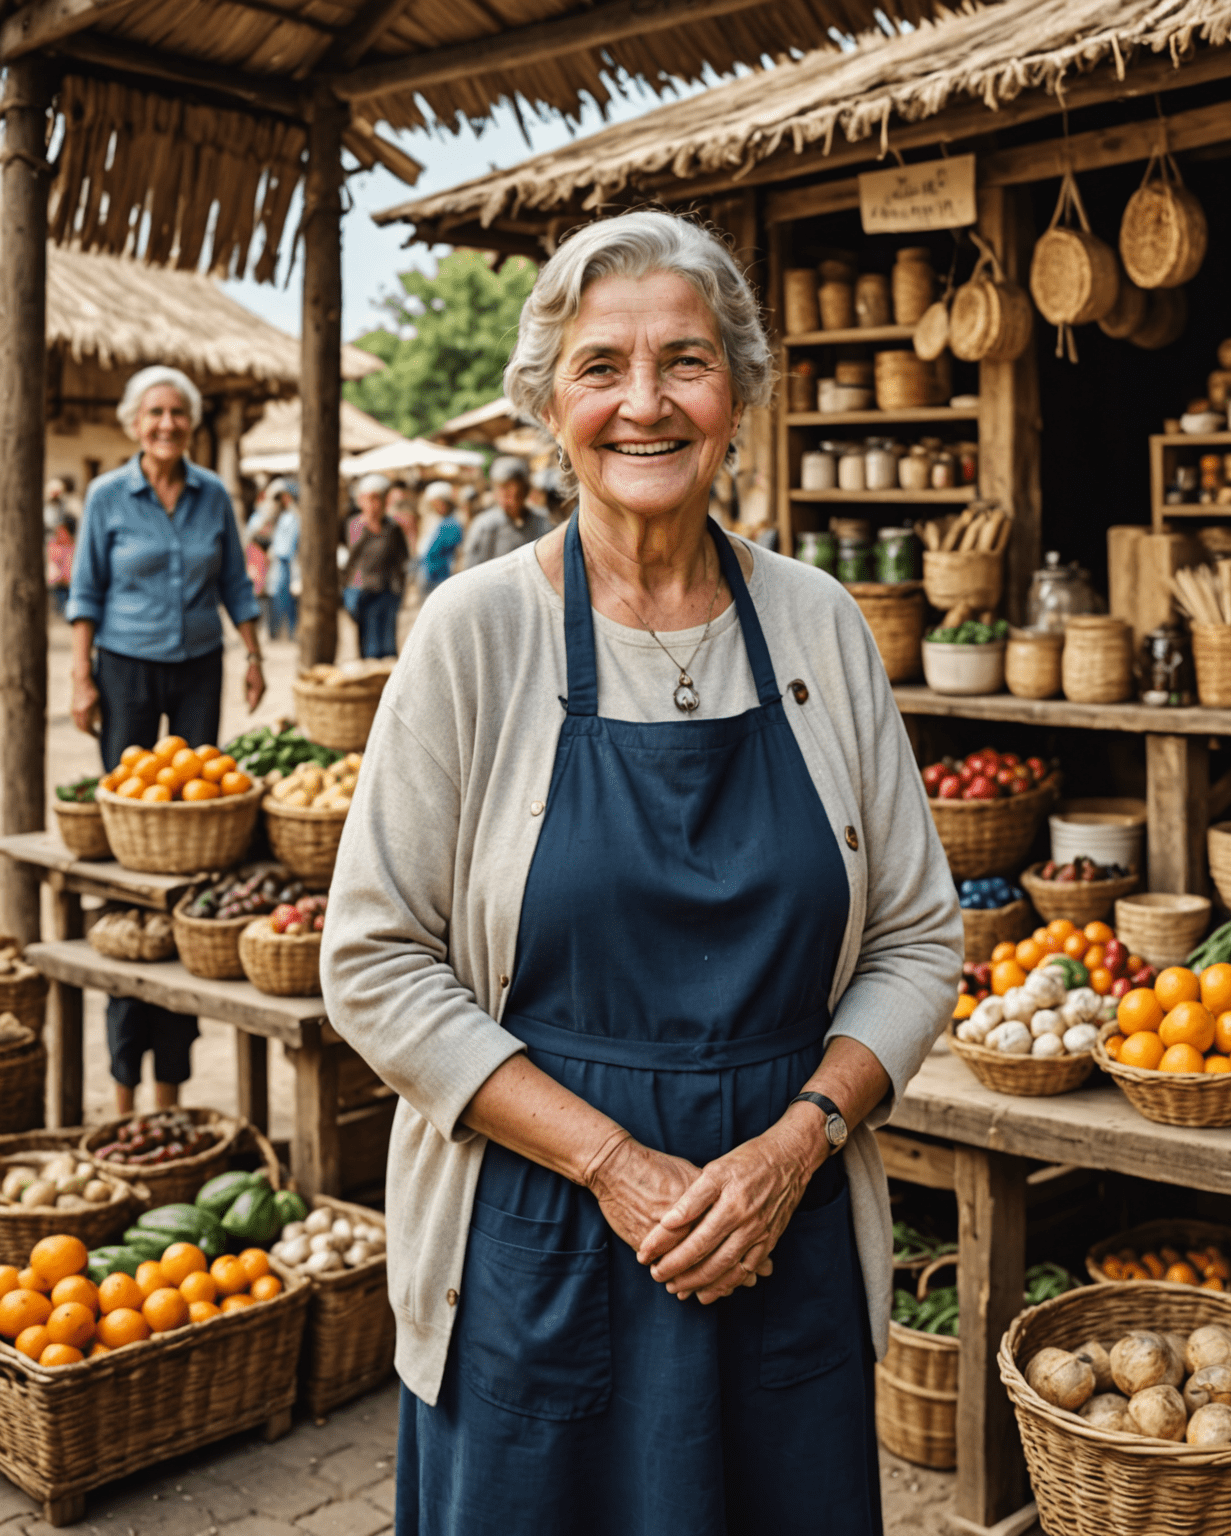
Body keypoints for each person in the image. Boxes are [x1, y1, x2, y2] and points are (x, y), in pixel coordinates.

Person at [321, 210, 961, 1536]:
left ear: (739, 394)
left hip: (774, 1237)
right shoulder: (473, 632)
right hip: (537, 1241)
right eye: (603, 366)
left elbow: (916, 941)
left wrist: (800, 1144)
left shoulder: (818, 624)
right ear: (548, 404)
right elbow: (374, 964)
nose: (645, 403)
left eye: (685, 360)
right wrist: (616, 1164)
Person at [68, 364, 265, 1112]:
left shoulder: (214, 494)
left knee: (194, 841)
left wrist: (252, 652)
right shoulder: (106, 497)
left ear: (190, 422)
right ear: (132, 422)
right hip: (123, 669)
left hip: (196, 669)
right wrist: (82, 676)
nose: (166, 424)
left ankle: (173, 1084)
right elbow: (86, 590)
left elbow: (237, 589)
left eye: (177, 413)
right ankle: (123, 1083)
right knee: (132, 846)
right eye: (153, 413)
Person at [342, 473, 410, 658]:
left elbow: (403, 560)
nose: (374, 505)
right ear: (361, 500)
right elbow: (350, 557)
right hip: (361, 591)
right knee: (368, 645)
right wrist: (367, 530)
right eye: (369, 499)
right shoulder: (355, 525)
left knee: (387, 646)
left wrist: (400, 590)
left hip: (387, 591)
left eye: (378, 499)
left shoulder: (393, 528)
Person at [461, 454, 549, 567]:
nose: (510, 500)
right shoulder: (485, 526)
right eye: (502, 490)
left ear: (526, 490)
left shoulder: (543, 522)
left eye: (516, 494)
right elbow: (470, 569)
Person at [416, 481, 463, 600]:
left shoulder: (453, 523)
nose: (436, 507)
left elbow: (453, 554)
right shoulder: (438, 521)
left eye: (438, 503)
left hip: (441, 578)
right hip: (430, 575)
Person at [267, 481, 300, 641]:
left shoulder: (293, 516)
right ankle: (279, 632)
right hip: (279, 562)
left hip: (287, 562)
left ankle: (292, 632)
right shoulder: (280, 516)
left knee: (289, 601)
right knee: (278, 600)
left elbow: (289, 545)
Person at [46, 515, 75, 617]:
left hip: (70, 583)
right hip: (58, 582)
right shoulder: (54, 545)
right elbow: (54, 562)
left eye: (63, 532)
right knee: (59, 610)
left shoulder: (73, 546)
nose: (62, 534)